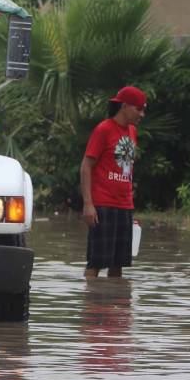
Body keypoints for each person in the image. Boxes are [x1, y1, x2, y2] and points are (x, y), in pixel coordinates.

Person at [80, 86, 145, 278]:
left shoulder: (132, 132)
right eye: (138, 109)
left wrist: (129, 205)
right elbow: (86, 166)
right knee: (97, 262)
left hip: (124, 205)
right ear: (125, 106)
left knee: (118, 265)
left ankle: (116, 305)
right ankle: (90, 305)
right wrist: (88, 204)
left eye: (143, 109)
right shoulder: (103, 130)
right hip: (102, 205)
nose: (142, 114)